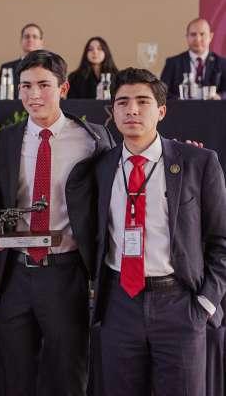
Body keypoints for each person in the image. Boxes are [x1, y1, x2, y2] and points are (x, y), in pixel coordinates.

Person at [0, 49, 114, 396]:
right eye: (26, 86)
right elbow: (0, 200)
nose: (34, 94)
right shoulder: (3, 140)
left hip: (65, 273)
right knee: (15, 377)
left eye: (44, 85)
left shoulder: (93, 139)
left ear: (63, 88)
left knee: (68, 377)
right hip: (15, 275)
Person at [92, 67, 226, 396]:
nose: (132, 110)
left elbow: (221, 240)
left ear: (161, 111)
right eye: (122, 102)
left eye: (142, 101)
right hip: (119, 305)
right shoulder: (101, 166)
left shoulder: (198, 162)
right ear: (113, 111)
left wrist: (206, 304)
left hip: (179, 304)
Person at [160, 18, 226, 99]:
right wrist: (178, 100)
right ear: (187, 37)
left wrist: (219, 97)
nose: (197, 39)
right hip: (181, 107)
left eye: (202, 34)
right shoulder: (173, 63)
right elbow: (161, 92)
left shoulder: (222, 63)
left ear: (210, 36)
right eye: (193, 34)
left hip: (213, 107)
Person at [0, 23, 44, 99]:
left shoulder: (49, 68)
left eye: (35, 37)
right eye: (27, 36)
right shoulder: (7, 68)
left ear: (41, 42)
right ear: (21, 41)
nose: (30, 40)